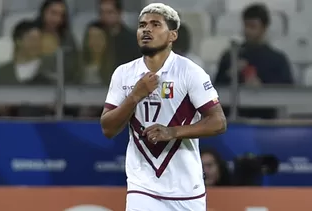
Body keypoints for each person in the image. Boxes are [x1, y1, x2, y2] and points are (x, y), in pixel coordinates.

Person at [100, 3, 227, 211]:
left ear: (172, 35)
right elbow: (107, 128)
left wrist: (173, 131)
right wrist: (135, 96)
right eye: (142, 25)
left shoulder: (190, 72)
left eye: (155, 24)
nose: (146, 29)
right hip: (142, 186)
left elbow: (218, 122)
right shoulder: (123, 74)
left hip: (186, 190)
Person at [215, 3, 293, 86]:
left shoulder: (278, 61)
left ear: (264, 28)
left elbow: (287, 93)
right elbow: (216, 89)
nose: (247, 31)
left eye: (252, 26)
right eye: (245, 25)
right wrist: (230, 73)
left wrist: (261, 87)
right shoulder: (230, 57)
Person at [88, 0, 141, 67]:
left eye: (109, 12)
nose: (105, 16)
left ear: (119, 13)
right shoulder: (95, 36)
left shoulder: (132, 41)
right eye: (102, 12)